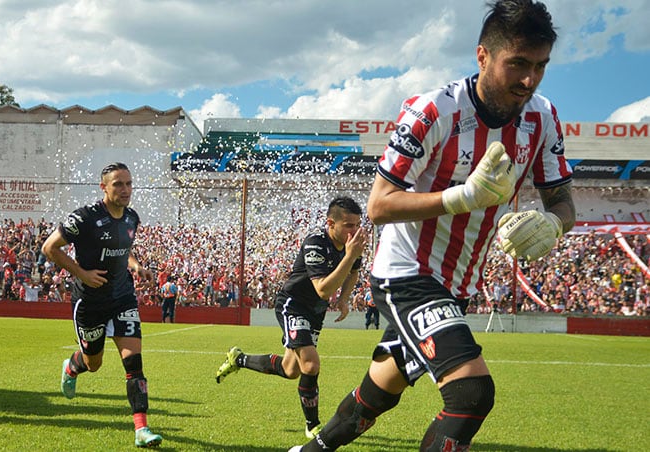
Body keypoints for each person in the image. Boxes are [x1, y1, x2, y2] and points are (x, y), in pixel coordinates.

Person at [291, 1, 575, 450]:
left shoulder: (541, 118)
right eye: (517, 64)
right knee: (471, 392)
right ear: (483, 56)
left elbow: (562, 200)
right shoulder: (433, 112)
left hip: (457, 285)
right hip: (407, 273)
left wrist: (553, 224)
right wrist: (462, 197)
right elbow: (379, 205)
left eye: (540, 66)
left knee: (377, 392)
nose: (529, 80)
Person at [216, 196, 368, 439]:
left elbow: (354, 271)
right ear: (331, 223)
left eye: (358, 224)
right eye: (349, 225)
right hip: (293, 305)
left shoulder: (351, 245)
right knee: (311, 364)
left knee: (291, 370)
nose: (355, 230)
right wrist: (349, 256)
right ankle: (313, 426)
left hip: (315, 312)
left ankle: (239, 359)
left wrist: (344, 299)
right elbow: (322, 289)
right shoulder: (316, 243)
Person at [42, 162, 163, 448]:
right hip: (90, 302)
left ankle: (141, 429)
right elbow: (49, 248)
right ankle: (72, 366)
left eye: (129, 184)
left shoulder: (132, 217)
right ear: (104, 187)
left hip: (123, 297)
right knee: (92, 363)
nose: (125, 190)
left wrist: (136, 266)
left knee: (134, 364)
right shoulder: (84, 217)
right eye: (118, 184)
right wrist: (82, 274)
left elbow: (125, 250)